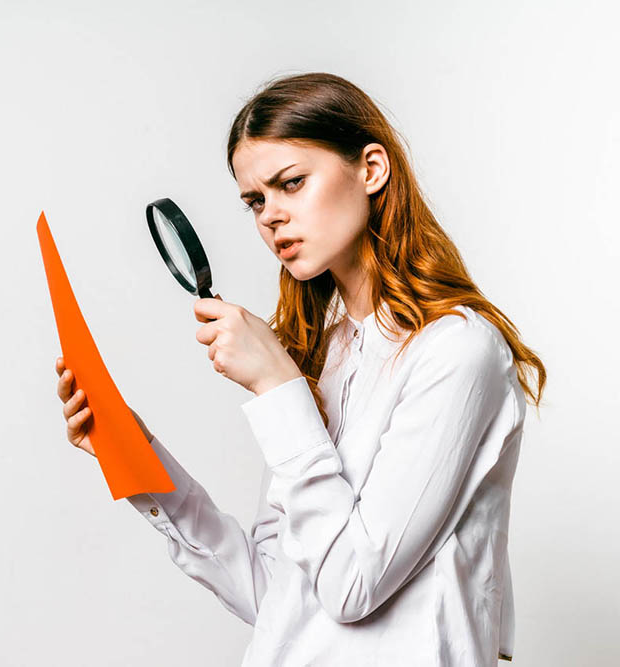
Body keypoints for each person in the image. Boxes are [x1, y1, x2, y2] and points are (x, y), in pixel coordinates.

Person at [53, 72, 546, 666]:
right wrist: (136, 457)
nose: (270, 217)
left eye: (291, 183)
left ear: (371, 169)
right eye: (256, 201)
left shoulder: (458, 351)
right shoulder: (325, 358)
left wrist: (277, 386)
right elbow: (276, 596)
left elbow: (352, 587)